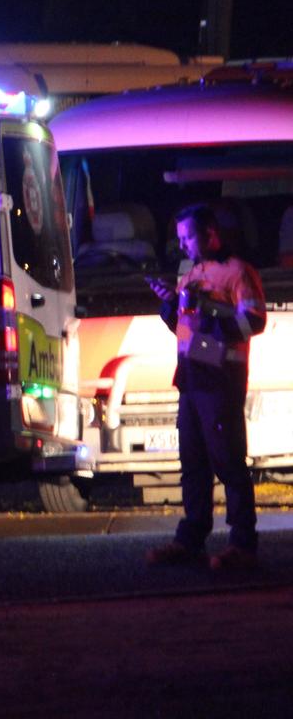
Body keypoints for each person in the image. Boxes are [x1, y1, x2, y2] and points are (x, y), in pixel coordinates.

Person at [144, 204, 267, 571]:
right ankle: (191, 539)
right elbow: (186, 331)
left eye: (189, 237)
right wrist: (171, 306)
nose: (183, 246)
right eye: (179, 239)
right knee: (193, 464)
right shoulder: (191, 273)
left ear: (210, 233)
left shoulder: (238, 272)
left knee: (229, 463)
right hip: (191, 379)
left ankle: (243, 545)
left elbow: (254, 322)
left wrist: (206, 307)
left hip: (220, 380)